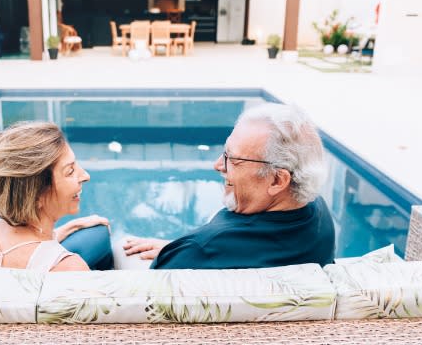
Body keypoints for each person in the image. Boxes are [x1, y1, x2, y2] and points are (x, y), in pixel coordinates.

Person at [122, 102, 335, 269]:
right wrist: (178, 247)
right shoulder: (319, 216)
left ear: (278, 180)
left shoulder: (202, 251)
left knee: (112, 244)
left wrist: (187, 250)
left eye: (232, 159)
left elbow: (141, 301)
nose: (217, 165)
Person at [0, 121, 113, 272]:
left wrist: (70, 227)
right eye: (70, 171)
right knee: (100, 237)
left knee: (98, 232)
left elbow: (26, 252)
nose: (86, 176)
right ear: (37, 194)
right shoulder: (70, 268)